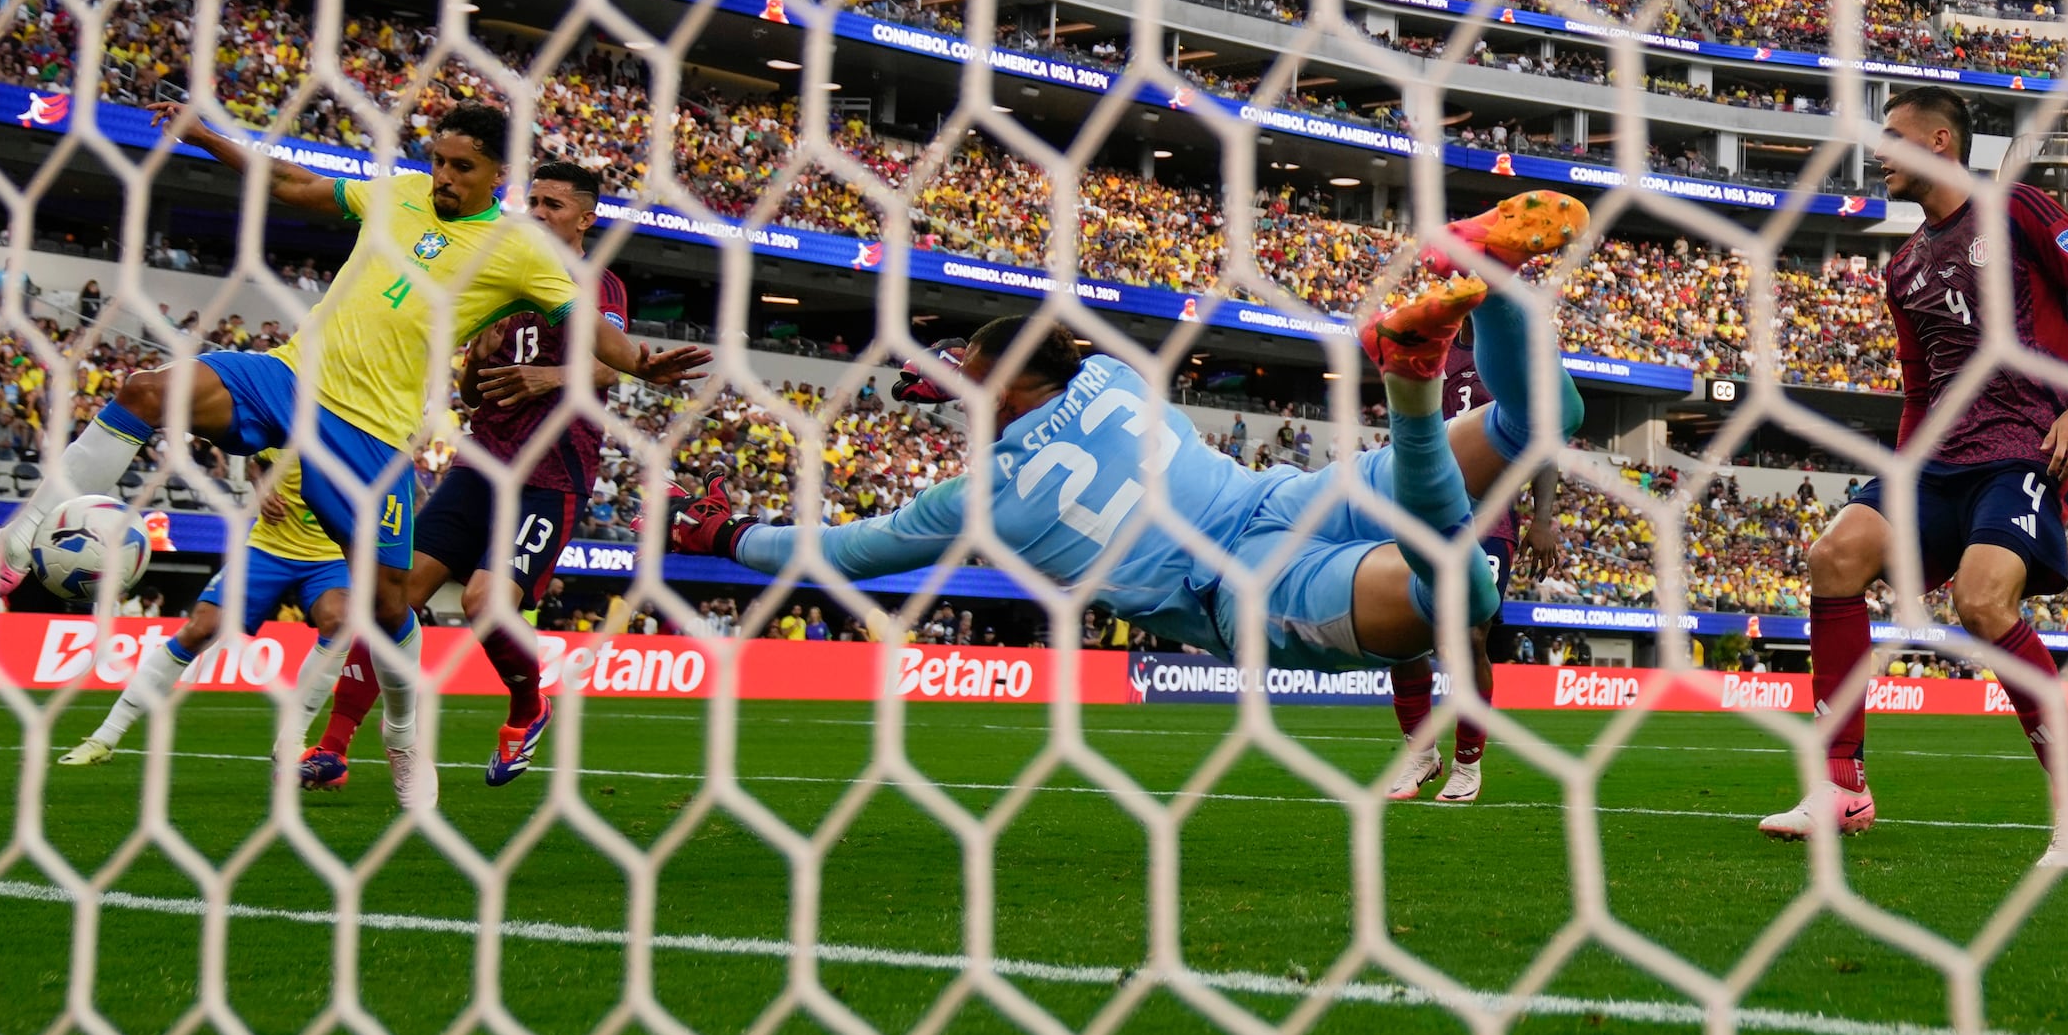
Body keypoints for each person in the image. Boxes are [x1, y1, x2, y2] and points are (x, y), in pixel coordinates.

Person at [0, 102, 704, 807]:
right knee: (145, 389)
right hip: (290, 378)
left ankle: (403, 738)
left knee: (389, 603)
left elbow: (595, 333)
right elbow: (298, 184)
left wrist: (639, 363)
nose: (442, 175)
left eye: (461, 166)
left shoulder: (518, 250)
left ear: (499, 175)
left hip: (370, 436)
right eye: (437, 158)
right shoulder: (399, 192)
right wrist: (207, 138)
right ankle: (14, 544)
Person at [676, 191, 1589, 681]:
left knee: (1460, 591)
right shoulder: (1110, 373)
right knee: (1546, 421)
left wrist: (724, 535)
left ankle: (1409, 383)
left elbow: (842, 550)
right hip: (1274, 497)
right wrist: (965, 369)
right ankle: (1496, 282)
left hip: (1240, 583)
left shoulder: (981, 495)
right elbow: (1047, 347)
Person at [1758, 87, 2068, 869]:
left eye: (1891, 137)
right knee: (1832, 557)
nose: (1879, 152)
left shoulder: (2019, 209)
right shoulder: (1902, 266)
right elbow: (1919, 389)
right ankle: (1842, 785)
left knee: (1981, 600)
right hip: (1937, 461)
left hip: (2022, 450)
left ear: (1939, 142)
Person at [300, 161, 631, 793]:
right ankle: (334, 749)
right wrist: (474, 363)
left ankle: (528, 708)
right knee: (389, 598)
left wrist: (549, 377)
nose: (536, 213)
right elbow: (474, 395)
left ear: (586, 219)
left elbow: (612, 369)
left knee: (484, 602)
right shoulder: (499, 274)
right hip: (482, 462)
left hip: (551, 473)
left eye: (553, 205)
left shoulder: (598, 284)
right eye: (531, 200)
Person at [1386, 319, 1582, 807]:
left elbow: (1542, 443)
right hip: (1427, 512)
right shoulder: (1435, 355)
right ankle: (1420, 753)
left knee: (1470, 636)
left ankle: (1467, 764)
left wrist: (1541, 520)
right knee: (1403, 636)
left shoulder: (1516, 360)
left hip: (1489, 519)